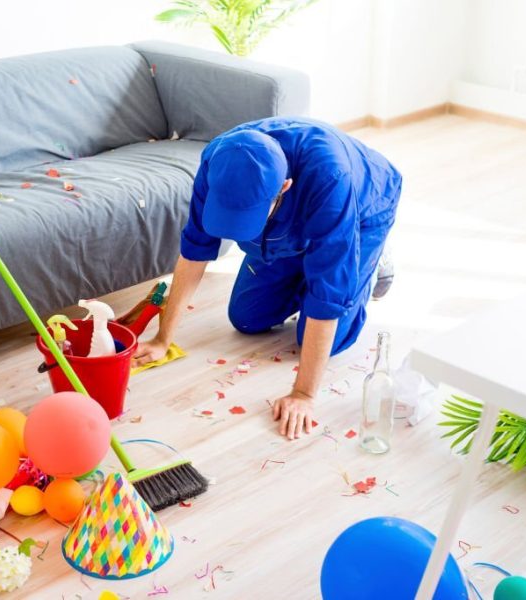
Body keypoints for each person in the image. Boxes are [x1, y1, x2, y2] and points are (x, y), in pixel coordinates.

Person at [133, 117, 402, 440]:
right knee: (246, 319)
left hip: (363, 211)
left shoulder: (331, 179)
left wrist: (303, 394)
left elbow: (328, 296)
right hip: (290, 227)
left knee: (325, 338)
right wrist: (163, 339)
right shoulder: (220, 161)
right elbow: (195, 251)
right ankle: (308, 260)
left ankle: (370, 265)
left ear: (284, 187)